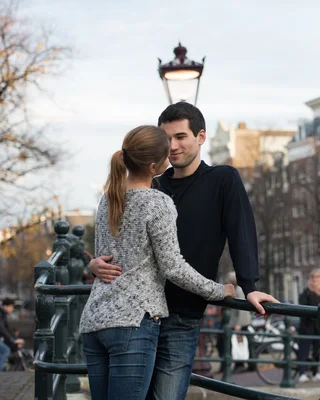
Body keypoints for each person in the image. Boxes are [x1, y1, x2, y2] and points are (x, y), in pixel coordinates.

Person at [89, 102, 277, 400]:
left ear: (201, 137)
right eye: (167, 140)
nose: (173, 146)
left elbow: (241, 231)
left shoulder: (222, 179)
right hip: (139, 314)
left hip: (182, 313)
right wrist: (94, 264)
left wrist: (249, 286)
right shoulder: (150, 187)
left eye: (180, 137)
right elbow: (118, 240)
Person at [79, 125, 236, 400]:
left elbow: (103, 258)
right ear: (154, 165)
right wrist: (219, 291)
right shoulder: (157, 203)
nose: (171, 155)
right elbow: (173, 267)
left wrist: (93, 266)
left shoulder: (108, 199)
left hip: (95, 320)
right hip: (132, 322)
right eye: (166, 153)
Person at [217, 272, 254, 373]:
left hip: (239, 323)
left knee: (238, 344)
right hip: (238, 322)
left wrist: (238, 324)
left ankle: (240, 365)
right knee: (241, 344)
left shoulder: (239, 290)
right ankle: (245, 364)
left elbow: (241, 309)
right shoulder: (237, 290)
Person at [297, 269, 320, 383]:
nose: (315, 279)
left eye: (318, 277)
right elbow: (303, 307)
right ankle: (302, 373)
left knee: (317, 349)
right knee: (304, 349)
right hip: (307, 325)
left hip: (318, 326)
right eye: (313, 277)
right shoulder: (306, 292)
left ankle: (315, 373)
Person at [0, 298, 25, 371]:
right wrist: (11, 339)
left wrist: (14, 338)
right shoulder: (0, 313)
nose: (12, 309)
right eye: (11, 306)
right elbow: (2, 329)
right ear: (6, 306)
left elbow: (6, 328)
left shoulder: (3, 314)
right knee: (6, 349)